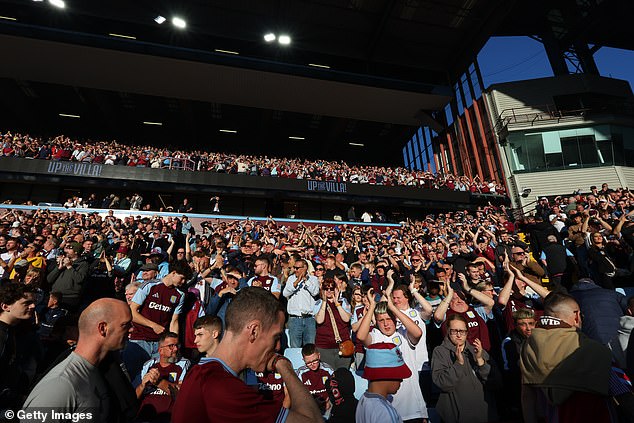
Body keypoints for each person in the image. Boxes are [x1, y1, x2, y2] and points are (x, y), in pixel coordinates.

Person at [172, 287, 322, 422]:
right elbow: (314, 420)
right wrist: (284, 365)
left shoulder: (200, 373)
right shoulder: (224, 388)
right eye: (275, 337)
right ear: (254, 331)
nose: (277, 347)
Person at [23, 298, 133, 422]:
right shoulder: (60, 384)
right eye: (125, 324)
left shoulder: (98, 371)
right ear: (103, 328)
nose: (132, 329)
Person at [520, 292, 613, 422]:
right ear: (576, 316)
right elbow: (621, 391)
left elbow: (527, 396)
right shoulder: (595, 350)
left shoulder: (528, 345)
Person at [357, 290, 428, 422]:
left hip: (412, 410)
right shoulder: (375, 336)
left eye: (389, 319)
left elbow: (418, 333)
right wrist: (372, 306)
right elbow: (361, 336)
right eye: (381, 320)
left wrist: (394, 309)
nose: (386, 324)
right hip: (388, 409)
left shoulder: (404, 333)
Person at [124, 260, 192, 381]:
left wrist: (173, 343)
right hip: (139, 340)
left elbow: (174, 321)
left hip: (159, 344)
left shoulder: (180, 295)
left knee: (156, 378)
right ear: (173, 273)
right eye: (182, 278)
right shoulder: (149, 286)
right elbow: (132, 312)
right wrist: (153, 325)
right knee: (134, 377)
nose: (183, 282)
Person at [431, 313, 498, 423]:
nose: (458, 335)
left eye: (462, 331)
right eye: (454, 331)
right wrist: (458, 364)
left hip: (484, 414)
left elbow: (495, 383)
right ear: (448, 331)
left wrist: (480, 361)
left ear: (467, 332)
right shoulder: (440, 352)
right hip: (457, 416)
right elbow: (442, 383)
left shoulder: (477, 351)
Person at [135, 332, 190, 422]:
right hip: (144, 417)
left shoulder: (183, 364)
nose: (176, 349)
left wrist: (159, 382)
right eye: (171, 346)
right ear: (160, 350)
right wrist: (142, 386)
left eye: (177, 345)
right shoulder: (149, 365)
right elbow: (133, 397)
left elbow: (181, 394)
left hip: (167, 418)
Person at [0, 283, 36, 411]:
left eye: (33, 302)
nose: (33, 306)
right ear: (5, 306)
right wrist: (16, 398)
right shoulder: (2, 337)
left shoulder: (16, 329)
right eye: (27, 303)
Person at [356, 342, 412, 423]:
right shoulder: (384, 413)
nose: (402, 380)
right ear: (387, 375)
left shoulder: (363, 399)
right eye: (399, 376)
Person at [314, 278, 352, 369]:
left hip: (343, 345)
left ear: (336, 289)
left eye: (331, 288)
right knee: (329, 374)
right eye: (326, 289)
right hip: (324, 346)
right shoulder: (318, 303)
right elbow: (319, 320)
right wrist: (324, 301)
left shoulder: (343, 301)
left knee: (342, 373)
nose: (329, 291)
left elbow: (346, 319)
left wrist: (336, 303)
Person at [283, 258, 320, 347]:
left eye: (298, 268)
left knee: (310, 346)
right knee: (295, 347)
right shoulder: (291, 279)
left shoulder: (313, 279)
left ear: (305, 268)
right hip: (294, 319)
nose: (295, 270)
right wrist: (296, 282)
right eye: (294, 268)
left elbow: (315, 292)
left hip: (309, 318)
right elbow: (285, 293)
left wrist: (306, 281)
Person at [296, 343, 335, 414]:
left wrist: (329, 401)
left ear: (319, 356)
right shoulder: (300, 372)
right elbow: (297, 393)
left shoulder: (328, 369)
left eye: (315, 361)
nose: (312, 364)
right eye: (308, 362)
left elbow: (335, 389)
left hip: (327, 403)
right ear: (304, 360)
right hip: (308, 406)